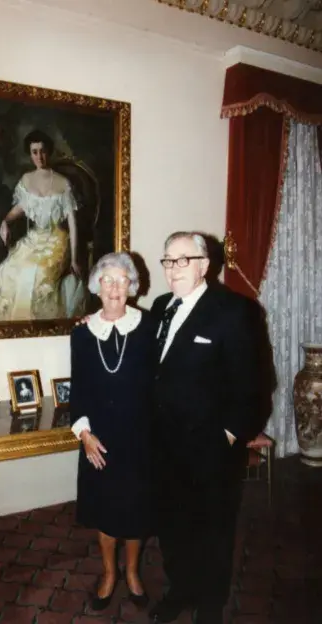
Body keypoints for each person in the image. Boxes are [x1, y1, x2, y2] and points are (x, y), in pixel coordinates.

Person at [149, 232, 262, 624]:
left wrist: (229, 435)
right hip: (165, 447)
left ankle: (210, 605)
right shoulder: (161, 306)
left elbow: (255, 383)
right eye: (167, 260)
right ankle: (180, 590)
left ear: (205, 264)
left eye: (183, 260)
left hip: (210, 450)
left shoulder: (233, 311)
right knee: (173, 527)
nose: (173, 269)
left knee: (212, 531)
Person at [70, 252, 155, 611]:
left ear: (132, 286)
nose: (115, 287)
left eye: (122, 280)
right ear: (97, 287)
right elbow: (80, 389)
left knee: (135, 510)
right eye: (108, 280)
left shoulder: (150, 327)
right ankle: (109, 574)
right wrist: (85, 436)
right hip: (100, 438)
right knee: (105, 508)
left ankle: (133, 573)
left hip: (141, 436)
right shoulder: (82, 333)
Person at [0, 129, 84, 321]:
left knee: (37, 273)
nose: (39, 156)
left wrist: (73, 259)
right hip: (34, 239)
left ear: (49, 151)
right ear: (30, 154)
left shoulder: (63, 183)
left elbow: (73, 223)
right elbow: (21, 208)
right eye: (34, 152)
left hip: (56, 240)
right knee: (7, 270)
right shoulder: (27, 180)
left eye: (43, 151)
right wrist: (5, 221)